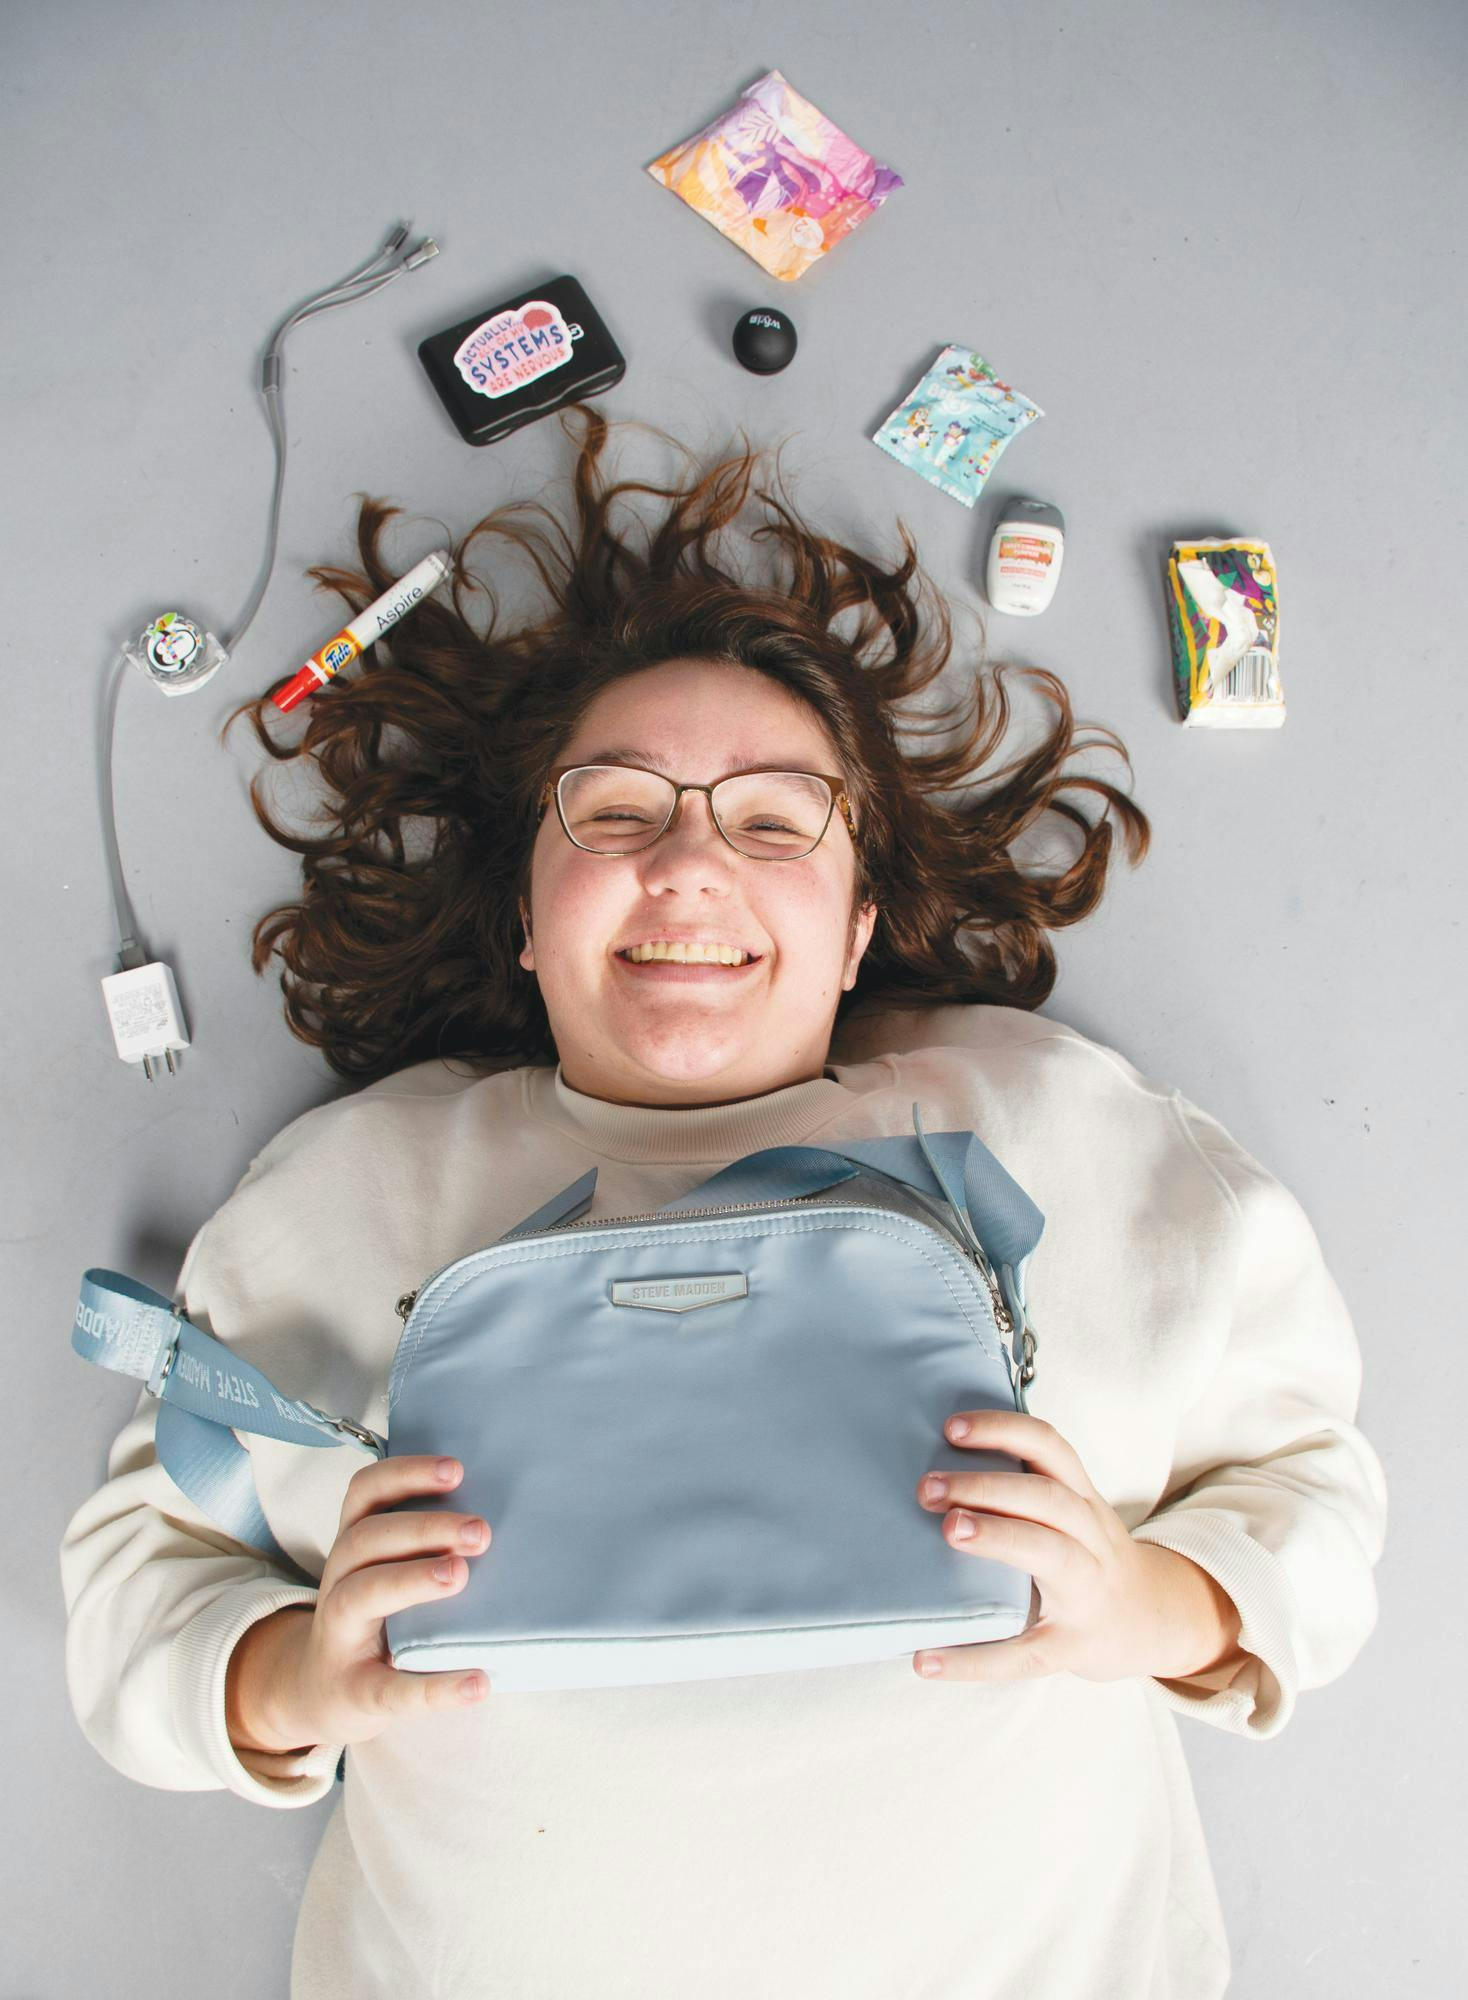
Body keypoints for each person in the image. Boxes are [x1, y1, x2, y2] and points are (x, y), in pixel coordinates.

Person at [60, 407, 1388, 1999]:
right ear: (527, 915)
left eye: (772, 821)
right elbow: (130, 1605)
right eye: (618, 811)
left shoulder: (1065, 1132)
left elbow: (1317, 1496)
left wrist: (1150, 1604)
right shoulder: (347, 1191)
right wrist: (292, 1675)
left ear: (857, 925)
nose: (690, 863)